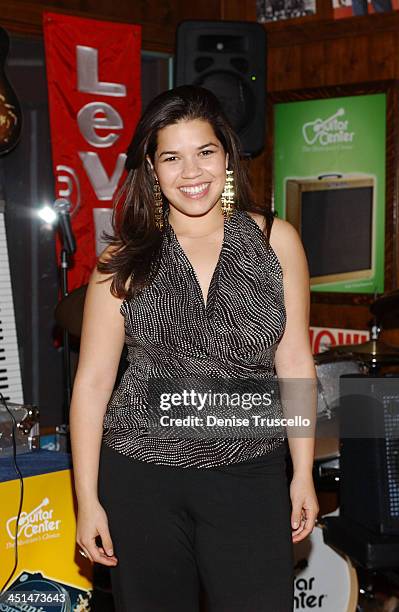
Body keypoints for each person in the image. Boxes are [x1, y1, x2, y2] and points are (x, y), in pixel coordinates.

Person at [69, 85, 319, 612]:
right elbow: (92, 384)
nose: (192, 172)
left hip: (249, 472)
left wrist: (302, 473)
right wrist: (87, 501)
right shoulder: (123, 259)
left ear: (226, 155)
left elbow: (295, 361)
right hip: (141, 478)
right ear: (152, 170)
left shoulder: (277, 241)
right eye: (172, 157)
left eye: (204, 152)